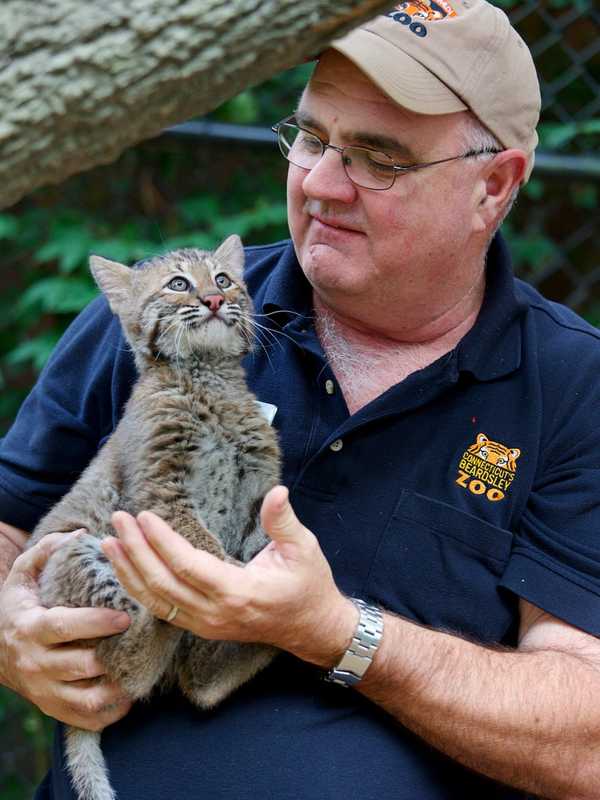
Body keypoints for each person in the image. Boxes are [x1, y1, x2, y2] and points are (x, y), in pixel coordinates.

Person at [1, 1, 600, 798]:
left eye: (377, 158)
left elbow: (586, 742)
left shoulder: (569, 388)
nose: (319, 183)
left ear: (493, 185)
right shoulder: (166, 313)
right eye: (311, 137)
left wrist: (338, 634)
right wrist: (8, 630)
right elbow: (10, 520)